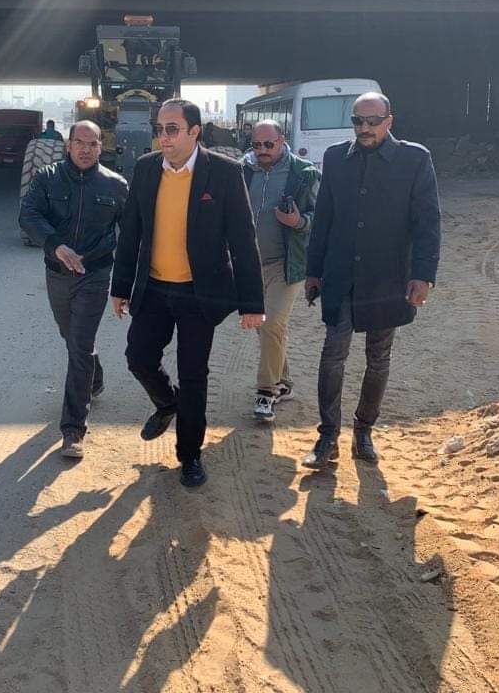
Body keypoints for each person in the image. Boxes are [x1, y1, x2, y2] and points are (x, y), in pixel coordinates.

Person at [111, 98, 264, 488]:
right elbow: (130, 233)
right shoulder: (146, 169)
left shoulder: (225, 173)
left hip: (200, 293)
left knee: (194, 374)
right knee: (138, 357)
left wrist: (252, 303)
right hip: (154, 289)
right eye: (159, 129)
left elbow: (243, 241)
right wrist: (120, 287)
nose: (163, 137)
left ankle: (190, 455)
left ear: (194, 132)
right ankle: (168, 404)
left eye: (172, 129)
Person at [302, 92, 441, 469]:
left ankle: (363, 431)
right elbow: (324, 218)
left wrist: (423, 275)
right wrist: (313, 270)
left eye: (372, 121)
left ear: (389, 121)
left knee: (378, 357)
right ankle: (328, 436)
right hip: (341, 274)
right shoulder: (336, 158)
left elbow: (427, 222)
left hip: (387, 276)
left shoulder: (415, 159)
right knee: (333, 353)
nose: (364, 128)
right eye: (358, 121)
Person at [19, 120, 128, 459]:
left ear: (101, 147)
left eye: (93, 144)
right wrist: (55, 245)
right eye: (80, 142)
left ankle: (73, 430)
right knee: (71, 337)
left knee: (79, 345)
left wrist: (127, 282)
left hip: (94, 276)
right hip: (57, 274)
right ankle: (94, 377)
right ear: (68, 145)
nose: (86, 149)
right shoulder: (47, 178)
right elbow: (28, 216)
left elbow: (131, 234)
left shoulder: (116, 185)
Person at [242, 120, 320, 421]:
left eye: (268, 144)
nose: (262, 150)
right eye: (256, 145)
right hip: (250, 264)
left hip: (286, 264)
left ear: (282, 140)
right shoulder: (242, 170)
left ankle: (266, 392)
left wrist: (299, 222)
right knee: (266, 328)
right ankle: (284, 381)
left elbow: (321, 215)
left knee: (271, 322)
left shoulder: (304, 173)